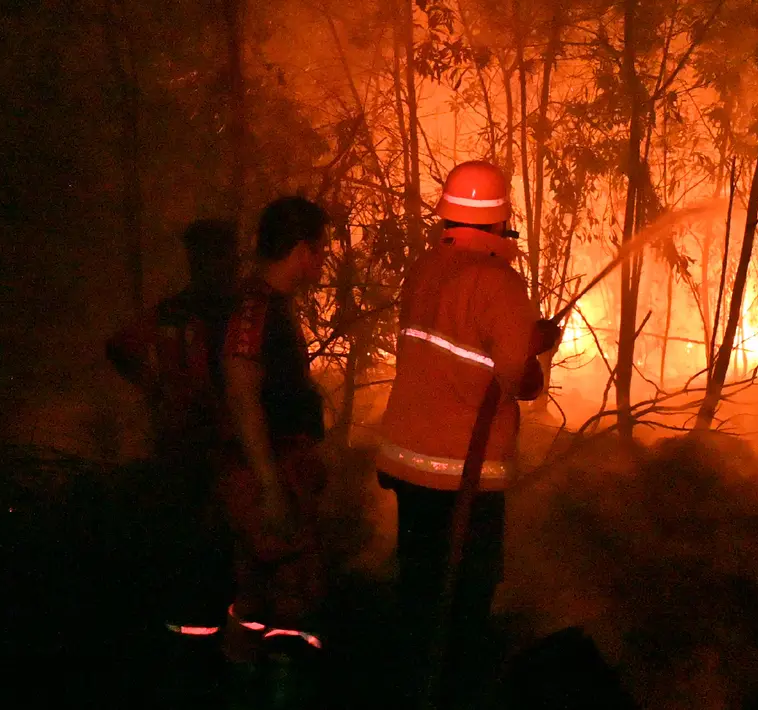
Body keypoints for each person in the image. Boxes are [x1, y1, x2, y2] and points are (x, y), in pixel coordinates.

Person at [375, 160, 562, 708]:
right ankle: (450, 692)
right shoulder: (499, 282)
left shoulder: (425, 268)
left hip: (407, 463)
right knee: (464, 603)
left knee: (418, 592)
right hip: (465, 475)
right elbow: (519, 381)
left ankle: (405, 685)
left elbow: (450, 348)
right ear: (502, 221)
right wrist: (537, 348)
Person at [105, 219, 239, 703]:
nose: (213, 266)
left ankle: (204, 661)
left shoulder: (229, 312)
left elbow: (120, 348)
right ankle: (191, 665)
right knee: (195, 556)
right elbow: (120, 348)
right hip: (191, 452)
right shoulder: (181, 312)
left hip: (217, 451)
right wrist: (156, 388)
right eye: (205, 256)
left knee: (215, 556)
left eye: (217, 255)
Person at [218, 196, 331, 701]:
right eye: (320, 248)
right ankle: (267, 692)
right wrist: (270, 486)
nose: (323, 259)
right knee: (289, 593)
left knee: (262, 591)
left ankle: (243, 687)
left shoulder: (266, 305)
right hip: (265, 473)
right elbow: (242, 391)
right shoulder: (255, 307)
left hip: (277, 467)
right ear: (303, 250)